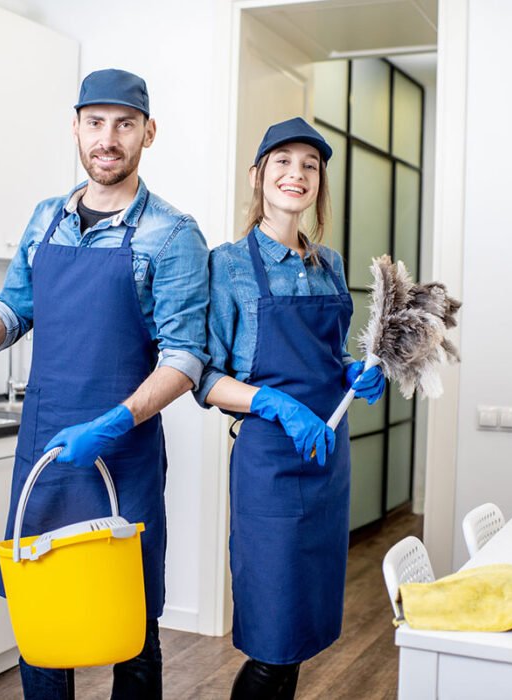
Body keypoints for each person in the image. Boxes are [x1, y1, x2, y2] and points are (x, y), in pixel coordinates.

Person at [0, 68, 209, 700]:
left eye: (125, 125)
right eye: (95, 123)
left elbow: (186, 358)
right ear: (76, 128)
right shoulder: (45, 219)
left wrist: (114, 422)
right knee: (42, 620)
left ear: (148, 133)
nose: (108, 139)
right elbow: (13, 315)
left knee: (131, 629)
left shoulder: (172, 232)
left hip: (124, 454)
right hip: (45, 456)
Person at [194, 117, 385, 700]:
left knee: (301, 633)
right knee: (273, 640)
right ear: (258, 175)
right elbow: (203, 377)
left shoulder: (330, 264)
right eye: (283, 161)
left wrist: (354, 372)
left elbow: (331, 355)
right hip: (270, 470)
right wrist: (273, 402)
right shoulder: (226, 264)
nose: (296, 174)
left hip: (327, 460)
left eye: (310, 165)